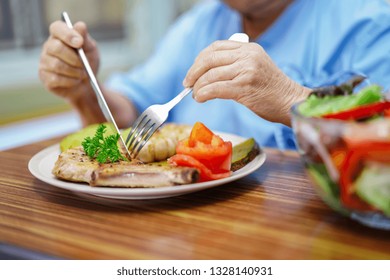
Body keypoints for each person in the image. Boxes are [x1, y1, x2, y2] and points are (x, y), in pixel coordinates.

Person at [39, 0, 390, 150]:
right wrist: (84, 89)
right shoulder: (201, 22)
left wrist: (289, 98)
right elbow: (130, 112)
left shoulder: (369, 20)